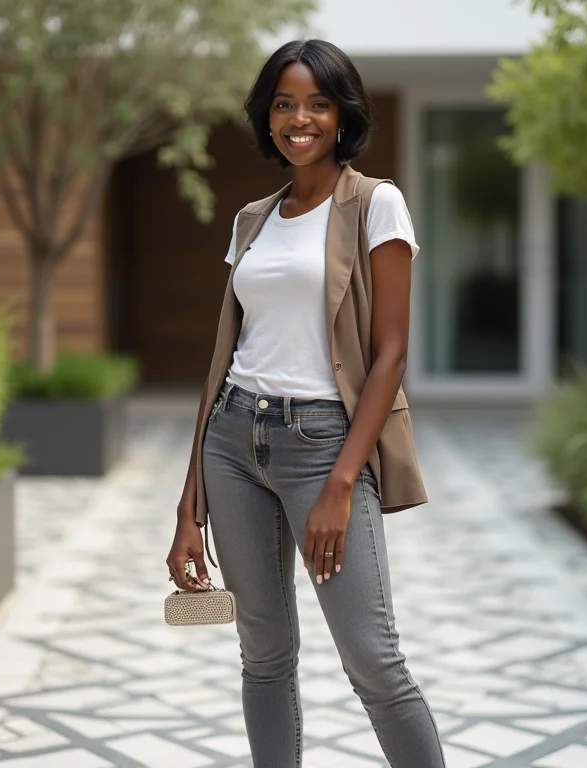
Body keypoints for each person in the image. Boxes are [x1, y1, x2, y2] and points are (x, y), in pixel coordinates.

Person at [166, 38, 446, 768]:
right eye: (285, 105)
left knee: (374, 661)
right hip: (232, 442)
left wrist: (342, 482)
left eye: (317, 104)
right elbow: (222, 361)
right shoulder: (251, 220)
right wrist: (187, 504)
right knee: (262, 655)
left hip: (325, 444)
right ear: (267, 118)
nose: (300, 119)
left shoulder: (375, 203)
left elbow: (389, 354)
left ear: (342, 114)